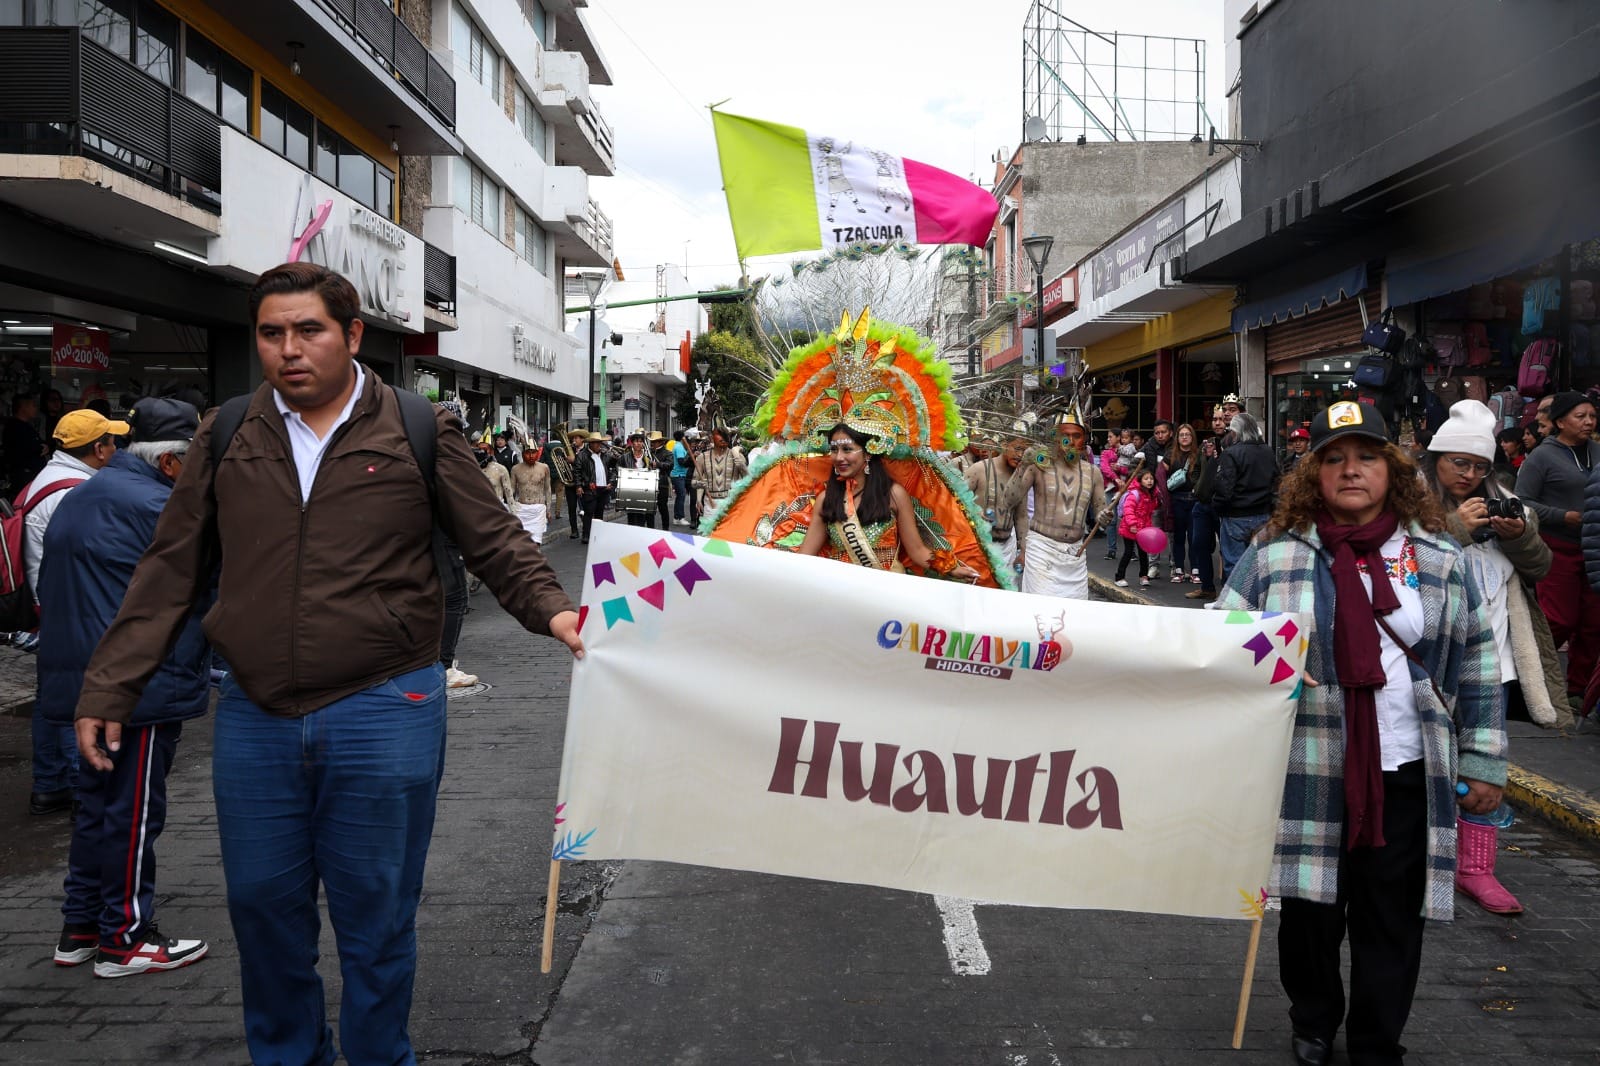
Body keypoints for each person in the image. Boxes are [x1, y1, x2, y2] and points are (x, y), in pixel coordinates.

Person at [70, 261, 582, 1066]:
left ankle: (380, 1056)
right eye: (271, 333)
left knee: (377, 917)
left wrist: (556, 611)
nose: (289, 349)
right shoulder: (228, 432)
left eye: (308, 330)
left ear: (351, 335)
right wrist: (110, 683)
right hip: (256, 714)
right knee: (262, 913)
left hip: (385, 705)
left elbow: (495, 541)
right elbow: (171, 567)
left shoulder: (417, 426)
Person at [1216, 399, 1504, 1066]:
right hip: (1306, 767)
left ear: (1393, 470)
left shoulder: (1439, 556)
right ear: (1313, 474)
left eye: (1367, 457)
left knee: (1392, 919)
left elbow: (1479, 662)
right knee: (1310, 914)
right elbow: (1223, 637)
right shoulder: (1274, 554)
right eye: (1335, 459)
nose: (1351, 470)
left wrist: (1484, 759)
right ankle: (1313, 1022)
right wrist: (1266, 664)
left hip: (1406, 769)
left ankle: (1378, 1041)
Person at [38, 398, 212, 977]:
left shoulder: (86, 493)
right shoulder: (158, 506)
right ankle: (125, 937)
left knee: (97, 807)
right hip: (134, 683)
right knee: (133, 812)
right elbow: (203, 589)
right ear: (170, 462)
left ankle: (81, 928)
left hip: (82, 674)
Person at [1422, 400, 1578, 916]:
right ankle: (1423, 853)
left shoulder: (1507, 503)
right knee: (1423, 757)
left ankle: (1476, 869)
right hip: (1430, 658)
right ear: (1437, 459)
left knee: (1485, 761)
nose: (1469, 475)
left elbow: (1541, 566)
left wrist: (1521, 536)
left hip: (1497, 658)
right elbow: (1402, 564)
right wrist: (1454, 527)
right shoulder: (1407, 504)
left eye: (1479, 466)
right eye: (1458, 463)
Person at [22, 409, 129, 816]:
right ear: (99, 449)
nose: (116, 448)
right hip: (72, 609)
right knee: (79, 701)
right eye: (112, 442)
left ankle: (49, 784)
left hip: (48, 606)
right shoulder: (77, 493)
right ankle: (83, 793)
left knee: (51, 697)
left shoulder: (46, 479)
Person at [797, 424, 978, 580]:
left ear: (868, 453)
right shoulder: (826, 499)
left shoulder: (893, 495)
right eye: (834, 450)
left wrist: (951, 568)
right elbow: (805, 557)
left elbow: (917, 551)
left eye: (847, 449)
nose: (838, 457)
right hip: (840, 588)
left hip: (886, 589)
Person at [1514, 392, 1600, 707]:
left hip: (1594, 547)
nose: (1589, 422)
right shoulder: (1542, 456)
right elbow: (1521, 501)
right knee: (1560, 618)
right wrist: (1561, 516)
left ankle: (1577, 690)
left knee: (1593, 623)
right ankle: (1530, 678)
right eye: (1581, 416)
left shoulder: (1597, 452)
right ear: (1561, 421)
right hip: (1557, 547)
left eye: (1592, 416)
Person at [1000, 416, 1109, 600]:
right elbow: (1009, 501)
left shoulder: (1093, 472)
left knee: (1074, 613)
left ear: (1084, 439)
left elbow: (1101, 513)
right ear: (1055, 437)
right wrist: (1023, 465)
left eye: (1077, 436)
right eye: (1065, 435)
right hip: (1042, 553)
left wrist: (1105, 516)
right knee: (1042, 612)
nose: (1070, 441)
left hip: (1075, 557)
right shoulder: (1038, 466)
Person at [1210, 410, 1277, 586]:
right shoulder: (1268, 452)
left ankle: (1238, 600)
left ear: (1236, 432)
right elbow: (1276, 484)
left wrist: (1217, 507)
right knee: (1261, 565)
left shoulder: (1231, 453)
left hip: (1236, 516)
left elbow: (1225, 489)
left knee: (1235, 566)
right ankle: (1259, 599)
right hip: (1263, 514)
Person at [965, 433, 1029, 576]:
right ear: (1004, 445)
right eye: (1017, 449)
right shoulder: (979, 469)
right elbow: (955, 499)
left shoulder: (1021, 478)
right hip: (977, 546)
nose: (1020, 455)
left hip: (1007, 549)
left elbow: (1021, 517)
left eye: (1025, 451)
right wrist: (974, 512)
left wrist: (1023, 551)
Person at [1185, 407, 1231, 601]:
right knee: (1199, 544)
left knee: (1227, 549)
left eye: (1220, 419)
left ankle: (1228, 591)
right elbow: (1195, 469)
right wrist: (1197, 486)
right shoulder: (1207, 443)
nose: (1217, 423)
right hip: (1202, 503)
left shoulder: (1231, 443)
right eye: (1214, 419)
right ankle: (1207, 587)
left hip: (1221, 505)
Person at [1163, 423, 1203, 584]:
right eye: (1181, 435)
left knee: (1194, 536)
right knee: (1178, 536)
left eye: (1188, 434)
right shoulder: (1170, 455)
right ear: (1177, 438)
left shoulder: (1198, 454)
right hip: (1177, 499)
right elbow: (1161, 475)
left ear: (1192, 437)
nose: (1184, 437)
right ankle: (1179, 569)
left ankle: (1195, 569)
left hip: (1194, 500)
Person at [1113, 468, 1157, 589]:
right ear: (1140, 480)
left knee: (1143, 553)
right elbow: (1128, 510)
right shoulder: (1134, 494)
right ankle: (1119, 577)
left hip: (1144, 529)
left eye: (1151, 478)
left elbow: (1151, 510)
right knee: (1128, 552)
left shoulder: (1151, 494)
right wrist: (1132, 524)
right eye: (1146, 479)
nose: (1149, 481)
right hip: (1130, 528)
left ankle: (1143, 576)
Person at [692, 425, 747, 520]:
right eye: (720, 435)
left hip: (732, 503)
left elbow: (749, 481)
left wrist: (743, 467)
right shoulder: (702, 457)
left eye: (726, 435)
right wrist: (698, 498)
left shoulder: (738, 456)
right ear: (712, 438)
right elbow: (694, 482)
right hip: (710, 504)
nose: (723, 438)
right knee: (710, 530)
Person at [4, 392, 48, 495]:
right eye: (33, 406)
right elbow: (29, 447)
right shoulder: (15, 427)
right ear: (23, 407)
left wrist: (45, 446)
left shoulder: (27, 426)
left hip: (32, 475)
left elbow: (40, 443)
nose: (36, 409)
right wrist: (40, 447)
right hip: (24, 476)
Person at [619, 430, 664, 529]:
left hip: (644, 491)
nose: (638, 443)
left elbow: (654, 473)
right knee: (631, 516)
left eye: (640, 441)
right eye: (636, 441)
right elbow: (618, 470)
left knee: (642, 517)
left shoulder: (648, 457)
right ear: (632, 443)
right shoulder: (624, 457)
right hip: (630, 490)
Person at [579, 431, 616, 544]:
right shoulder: (582, 455)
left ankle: (597, 535)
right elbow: (577, 472)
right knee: (589, 512)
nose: (598, 445)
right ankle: (586, 535)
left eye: (600, 442)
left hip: (603, 488)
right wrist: (580, 485)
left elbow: (615, 466)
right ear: (590, 443)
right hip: (590, 488)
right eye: (596, 443)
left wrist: (611, 482)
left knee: (599, 512)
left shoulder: (605, 455)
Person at [510, 443, 552, 544]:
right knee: (522, 542)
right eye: (528, 453)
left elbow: (547, 489)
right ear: (523, 454)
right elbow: (512, 490)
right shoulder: (515, 469)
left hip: (538, 509)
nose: (531, 456)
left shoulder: (544, 467)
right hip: (521, 509)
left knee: (536, 543)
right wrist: (511, 509)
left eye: (533, 452)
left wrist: (548, 509)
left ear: (538, 453)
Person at [476, 442, 514, 509]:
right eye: (479, 449)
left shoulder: (500, 469)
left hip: (497, 508)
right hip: (479, 508)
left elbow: (508, 492)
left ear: (491, 452)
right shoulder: (472, 468)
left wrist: (513, 510)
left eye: (484, 449)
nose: (481, 452)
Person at [648, 431, 673, 530]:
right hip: (650, 483)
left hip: (662, 483)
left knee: (663, 508)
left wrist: (657, 464)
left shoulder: (668, 453)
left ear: (660, 442)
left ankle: (665, 530)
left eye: (654, 441)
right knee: (649, 508)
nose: (652, 443)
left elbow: (670, 465)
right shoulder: (649, 452)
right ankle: (650, 529)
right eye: (652, 441)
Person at [669, 428, 693, 525]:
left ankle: (677, 517)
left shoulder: (679, 446)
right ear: (682, 438)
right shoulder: (678, 447)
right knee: (681, 495)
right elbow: (681, 462)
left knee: (680, 496)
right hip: (678, 475)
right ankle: (680, 517)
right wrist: (691, 459)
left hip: (680, 474)